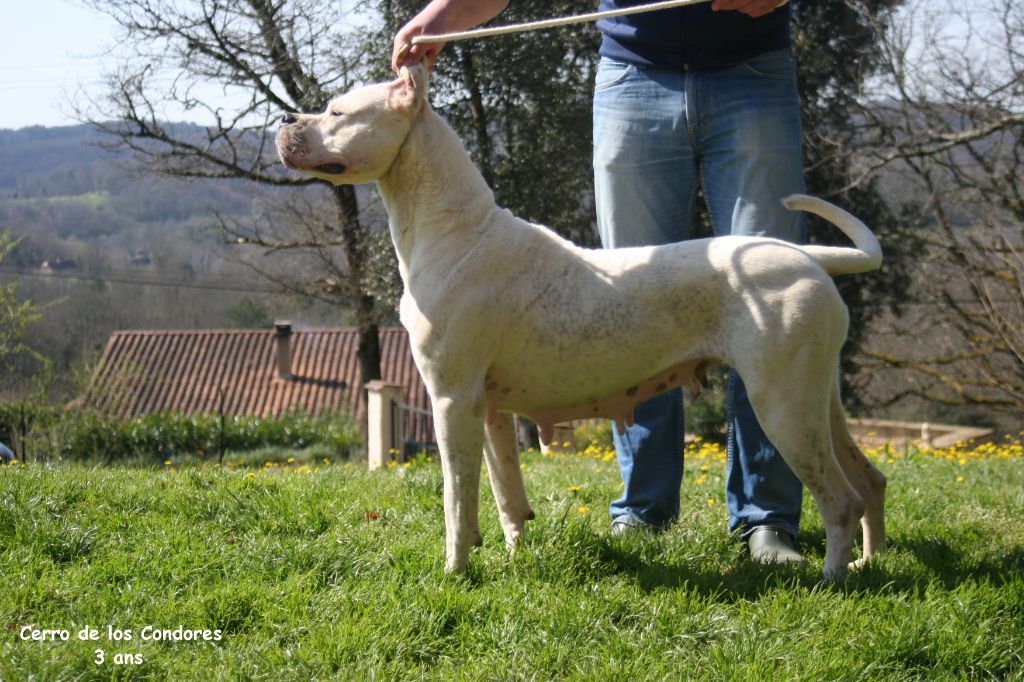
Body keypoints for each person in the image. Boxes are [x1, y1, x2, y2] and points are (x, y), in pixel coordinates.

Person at [393, 0, 805, 563]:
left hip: (753, 69)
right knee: (626, 304)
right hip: (632, 75)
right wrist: (442, 15)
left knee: (767, 303)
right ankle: (642, 509)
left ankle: (768, 522)